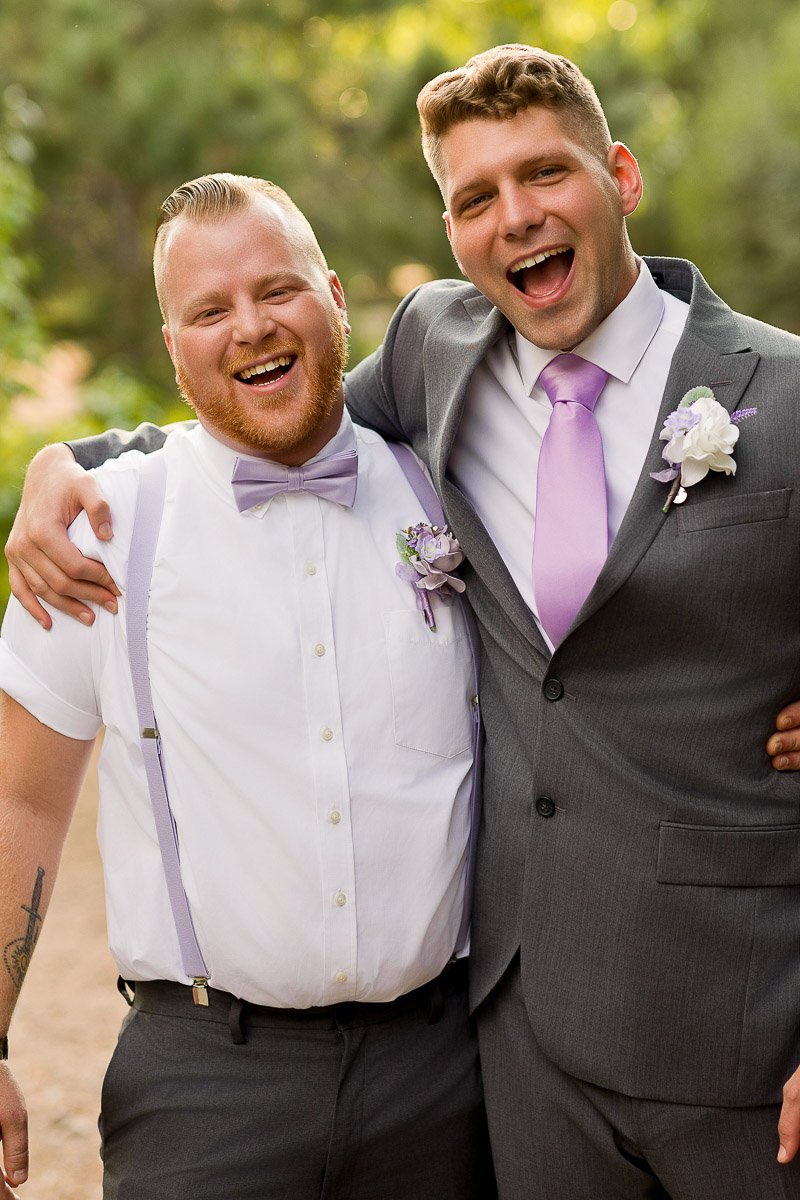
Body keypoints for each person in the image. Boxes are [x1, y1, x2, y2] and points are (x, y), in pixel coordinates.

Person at [6, 44, 800, 1200]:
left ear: (619, 178)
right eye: (475, 197)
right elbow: (260, 410)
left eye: (545, 176)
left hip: (662, 1039)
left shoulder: (770, 397)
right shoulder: (435, 361)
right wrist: (62, 460)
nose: (515, 218)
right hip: (443, 1063)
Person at [0, 173, 495, 1200]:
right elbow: (21, 797)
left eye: (277, 290)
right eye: (208, 310)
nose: (250, 327)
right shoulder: (96, 529)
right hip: (204, 1090)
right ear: (171, 343)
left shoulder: (457, 493)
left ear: (334, 296)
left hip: (452, 1081)